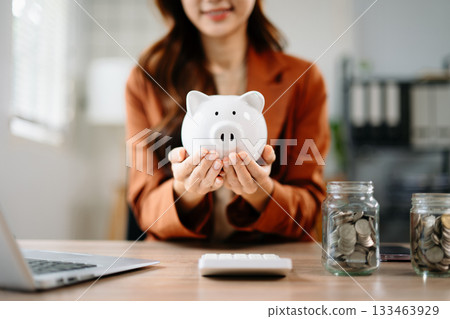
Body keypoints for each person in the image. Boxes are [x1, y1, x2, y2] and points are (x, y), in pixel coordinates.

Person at [125, 0, 330, 242]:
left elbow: (310, 209)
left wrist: (261, 192)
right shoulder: (147, 79)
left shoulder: (303, 79)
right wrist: (185, 191)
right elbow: (145, 208)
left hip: (274, 258)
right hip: (179, 262)